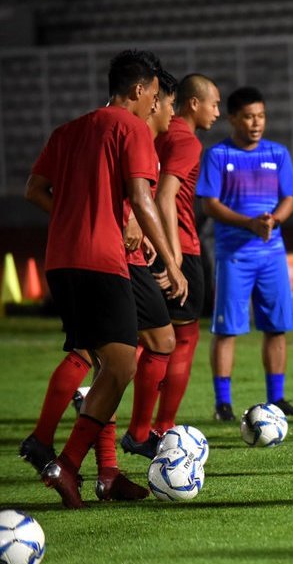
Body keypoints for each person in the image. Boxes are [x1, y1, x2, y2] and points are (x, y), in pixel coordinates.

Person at [24, 49, 187, 508]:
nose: (156, 104)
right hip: (101, 260)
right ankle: (68, 465)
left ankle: (104, 473)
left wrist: (75, 216)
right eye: (154, 95)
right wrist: (172, 265)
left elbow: (34, 189)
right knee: (120, 366)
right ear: (138, 91)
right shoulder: (130, 127)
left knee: (106, 364)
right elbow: (140, 195)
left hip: (61, 261)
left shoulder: (68, 130)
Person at [196, 86, 293, 421]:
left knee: (276, 327)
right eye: (248, 116)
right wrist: (248, 223)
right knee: (226, 328)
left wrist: (275, 219)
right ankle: (223, 403)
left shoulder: (278, 153)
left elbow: (289, 197)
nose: (256, 123)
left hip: (272, 252)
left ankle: (277, 399)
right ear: (232, 118)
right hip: (233, 254)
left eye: (260, 116)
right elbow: (210, 205)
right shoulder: (217, 155)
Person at [139, 74, 221, 441]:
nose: (217, 112)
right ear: (193, 103)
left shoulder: (154, 131)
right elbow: (165, 196)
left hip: (147, 243)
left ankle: (105, 399)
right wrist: (174, 260)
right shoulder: (186, 140)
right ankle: (162, 425)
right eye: (214, 104)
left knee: (149, 337)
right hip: (180, 247)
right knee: (183, 340)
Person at [118, 69, 182, 459]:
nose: (166, 109)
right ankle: (138, 435)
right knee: (113, 357)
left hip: (126, 254)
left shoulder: (144, 141)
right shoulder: (134, 134)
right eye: (164, 101)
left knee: (111, 356)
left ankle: (114, 459)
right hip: (115, 258)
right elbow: (143, 200)